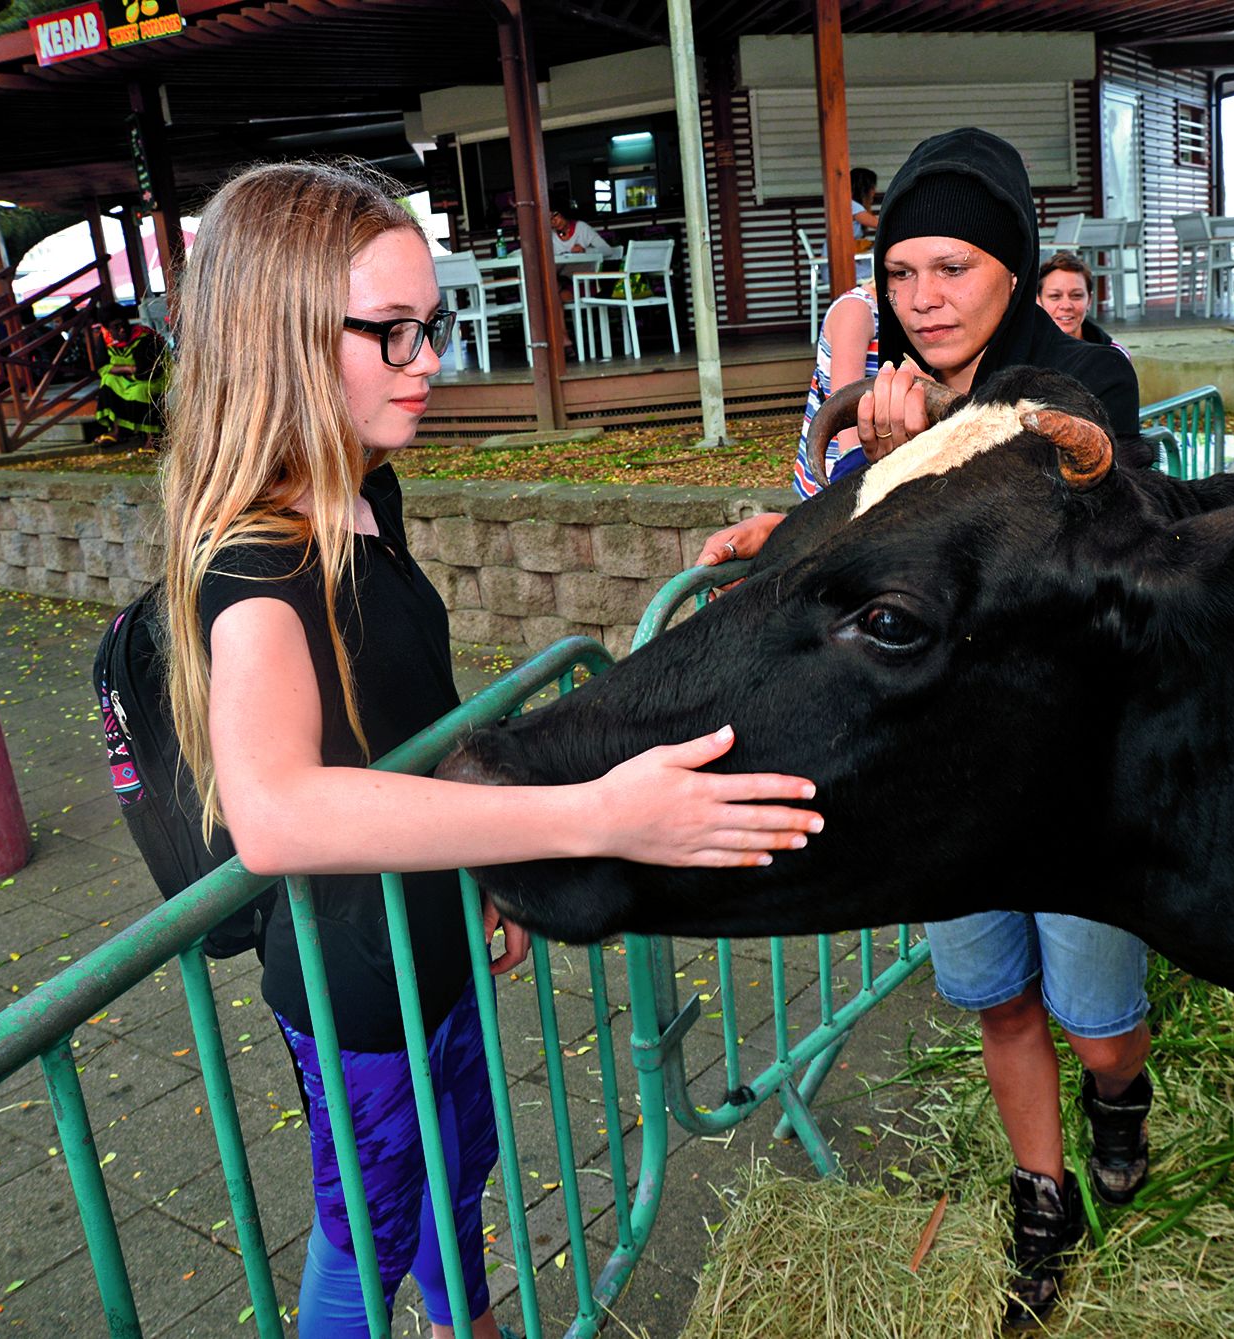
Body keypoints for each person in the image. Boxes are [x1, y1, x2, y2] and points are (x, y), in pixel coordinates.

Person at [160, 161, 823, 1339]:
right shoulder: (254, 562)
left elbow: (402, 726)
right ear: (281, 339)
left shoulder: (366, 487)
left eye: (435, 327)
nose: (432, 362)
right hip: (356, 979)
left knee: (453, 1175)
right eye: (394, 334)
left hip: (428, 935)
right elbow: (274, 810)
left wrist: (477, 870)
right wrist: (591, 818)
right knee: (362, 1237)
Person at [694, 127, 1153, 1330]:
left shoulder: (1085, 386)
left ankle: (1119, 1095)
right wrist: (783, 537)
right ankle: (1038, 1201)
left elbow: (1061, 573)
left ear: (1010, 266)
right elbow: (853, 540)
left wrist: (919, 463)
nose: (921, 298)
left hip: (1068, 770)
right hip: (942, 771)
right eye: (899, 274)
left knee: (1099, 1027)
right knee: (997, 1000)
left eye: (950, 268)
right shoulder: (888, 394)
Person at [792, 279, 880, 498]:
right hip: (839, 475)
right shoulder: (857, 309)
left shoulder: (905, 310)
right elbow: (843, 407)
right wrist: (847, 482)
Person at [1037, 249, 1130, 361]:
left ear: (1089, 300)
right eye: (1055, 296)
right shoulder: (1023, 354)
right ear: (1038, 300)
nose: (1066, 306)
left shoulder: (1115, 356)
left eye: (1076, 295)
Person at [549, 198, 617, 264]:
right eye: (549, 219)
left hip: (584, 274)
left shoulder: (582, 228)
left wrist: (585, 251)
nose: (553, 221)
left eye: (555, 215)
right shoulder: (550, 235)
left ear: (563, 211)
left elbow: (608, 250)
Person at [849, 167, 879, 252]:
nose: (874, 191)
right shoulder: (852, 205)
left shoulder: (852, 204)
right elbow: (878, 224)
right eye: (872, 187)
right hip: (841, 256)